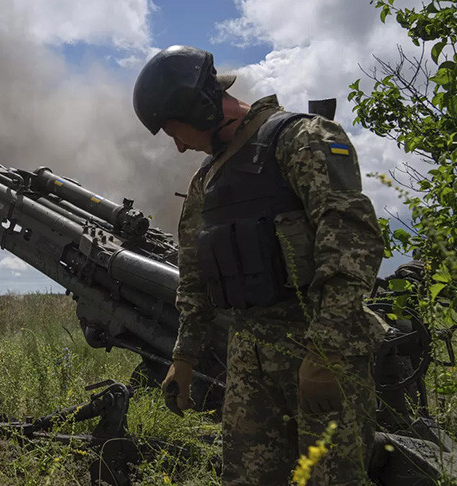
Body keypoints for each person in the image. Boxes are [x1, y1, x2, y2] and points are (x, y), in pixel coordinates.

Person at [134, 45, 384, 485]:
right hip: (249, 358)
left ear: (203, 108)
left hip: (320, 347)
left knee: (331, 478)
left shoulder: (301, 139)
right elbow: (194, 276)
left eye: (177, 131)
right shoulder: (207, 181)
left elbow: (350, 243)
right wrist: (185, 357)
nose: (177, 147)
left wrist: (326, 353)